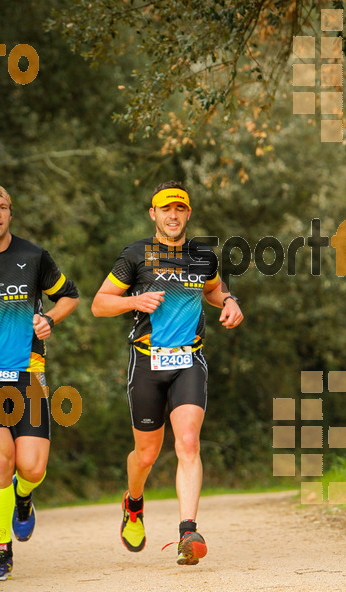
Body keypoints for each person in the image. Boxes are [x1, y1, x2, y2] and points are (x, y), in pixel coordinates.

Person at [91, 181, 243, 565]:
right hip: (146, 362)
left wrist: (229, 301)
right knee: (146, 454)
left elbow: (212, 289)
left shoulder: (203, 256)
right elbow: (98, 304)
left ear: (188, 214)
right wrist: (134, 300)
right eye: (165, 209)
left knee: (188, 442)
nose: (173, 215)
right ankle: (134, 502)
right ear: (153, 214)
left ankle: (188, 532)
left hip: (189, 360)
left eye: (179, 209)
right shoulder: (136, 255)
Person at [0, 184, 79, 581]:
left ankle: (24, 496)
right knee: (0, 459)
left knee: (30, 467)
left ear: (10, 213)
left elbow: (70, 296)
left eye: (3, 207)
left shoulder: (32, 257)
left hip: (28, 372)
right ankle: (1, 553)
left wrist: (50, 320)